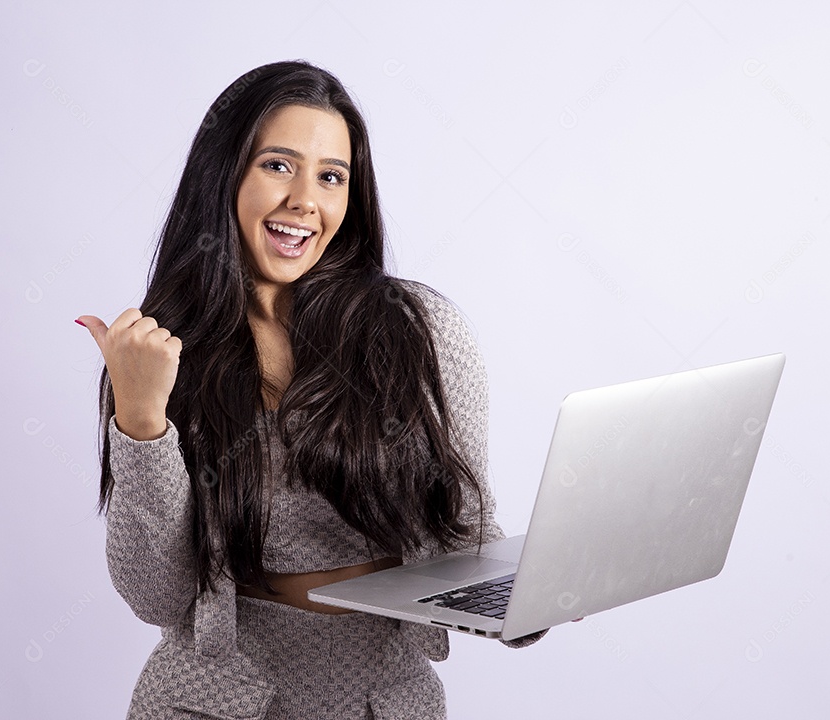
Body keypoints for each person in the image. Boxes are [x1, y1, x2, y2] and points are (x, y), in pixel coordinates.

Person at [76, 59, 547, 720]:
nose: (305, 201)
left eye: (331, 176)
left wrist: (532, 597)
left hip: (384, 702)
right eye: (278, 165)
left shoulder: (420, 332)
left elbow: (462, 531)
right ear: (224, 174)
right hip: (211, 704)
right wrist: (142, 421)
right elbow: (157, 595)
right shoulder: (156, 355)